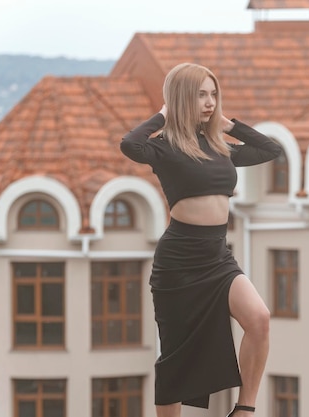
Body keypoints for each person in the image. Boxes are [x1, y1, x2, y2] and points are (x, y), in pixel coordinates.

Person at [120, 62, 282, 417]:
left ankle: (245, 408)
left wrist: (228, 125)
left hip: (217, 256)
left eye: (213, 94)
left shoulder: (220, 146)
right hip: (179, 261)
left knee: (259, 319)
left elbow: (271, 150)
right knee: (175, 356)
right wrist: (163, 115)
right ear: (180, 99)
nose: (209, 102)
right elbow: (129, 144)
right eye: (200, 95)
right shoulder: (163, 147)